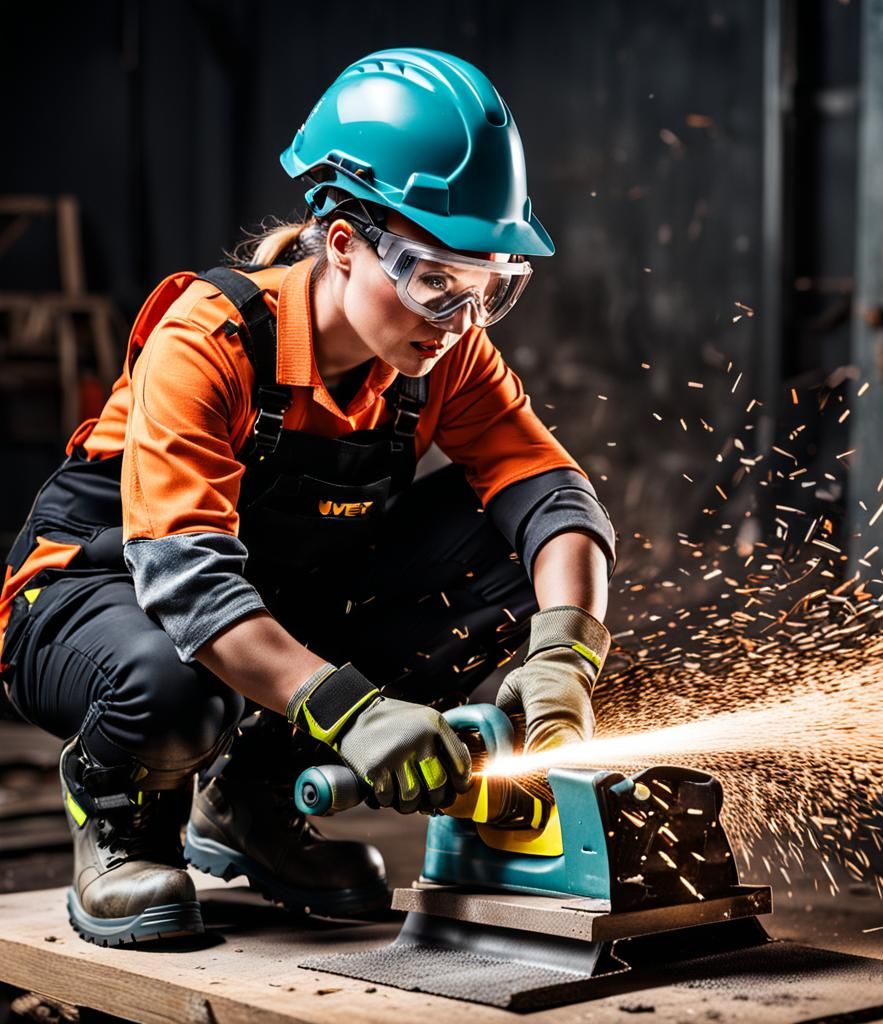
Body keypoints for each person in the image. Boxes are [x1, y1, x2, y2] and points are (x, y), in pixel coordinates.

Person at [0, 48, 615, 947]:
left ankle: (249, 805)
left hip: (264, 601)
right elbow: (189, 587)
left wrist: (568, 655)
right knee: (177, 689)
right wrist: (357, 713)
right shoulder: (208, 340)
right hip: (94, 595)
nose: (457, 321)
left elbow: (555, 495)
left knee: (507, 552)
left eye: (489, 292)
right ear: (342, 243)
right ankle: (125, 825)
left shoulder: (443, 353)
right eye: (433, 281)